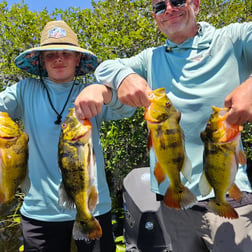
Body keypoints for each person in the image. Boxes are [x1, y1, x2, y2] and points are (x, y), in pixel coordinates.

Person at [75, 0, 252, 251]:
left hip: (227, 196)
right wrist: (113, 81)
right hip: (173, 202)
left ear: (196, 5)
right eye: (160, 6)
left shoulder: (233, 39)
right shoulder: (151, 58)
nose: (169, 9)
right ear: (155, 17)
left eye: (177, 1)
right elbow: (106, 66)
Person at [0, 20, 135, 252]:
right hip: (39, 212)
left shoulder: (91, 89)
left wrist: (104, 92)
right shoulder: (25, 90)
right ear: (41, 61)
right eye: (51, 54)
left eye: (66, 53)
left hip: (92, 208)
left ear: (77, 59)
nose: (58, 58)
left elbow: (128, 109)